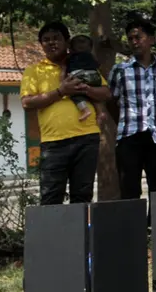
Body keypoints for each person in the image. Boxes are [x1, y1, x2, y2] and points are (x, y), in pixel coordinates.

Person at [20, 22, 111, 205]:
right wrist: (61, 91)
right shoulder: (34, 70)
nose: (51, 43)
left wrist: (84, 89)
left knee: (82, 196)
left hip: (87, 138)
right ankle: (53, 234)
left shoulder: (82, 62)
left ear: (67, 42)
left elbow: (106, 93)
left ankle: (83, 234)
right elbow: (27, 103)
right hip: (53, 143)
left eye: (56, 38)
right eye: (46, 40)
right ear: (41, 45)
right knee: (51, 198)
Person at [109, 19, 156, 199]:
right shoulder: (120, 70)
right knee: (129, 189)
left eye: (138, 37)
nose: (134, 42)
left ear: (152, 40)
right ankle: (133, 227)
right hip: (129, 136)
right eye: (130, 38)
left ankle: (155, 226)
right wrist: (125, 120)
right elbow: (111, 101)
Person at [65, 35, 103, 121]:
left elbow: (65, 67)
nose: (80, 44)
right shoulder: (91, 56)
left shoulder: (72, 56)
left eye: (82, 41)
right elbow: (98, 65)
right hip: (95, 76)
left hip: (80, 76)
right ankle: (100, 112)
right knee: (94, 95)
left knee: (74, 93)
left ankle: (85, 110)